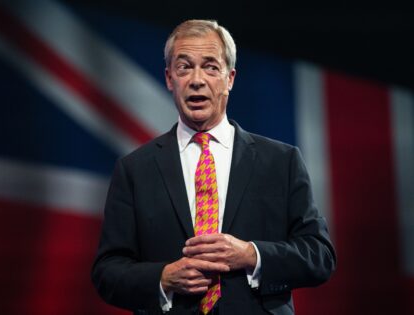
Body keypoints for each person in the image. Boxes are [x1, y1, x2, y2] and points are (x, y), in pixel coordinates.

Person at [92, 19, 336, 315]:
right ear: (169, 78)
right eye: (184, 67)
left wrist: (251, 255)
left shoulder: (281, 162)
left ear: (230, 78)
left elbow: (319, 256)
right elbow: (107, 271)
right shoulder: (134, 169)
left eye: (210, 67)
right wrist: (163, 278)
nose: (197, 79)